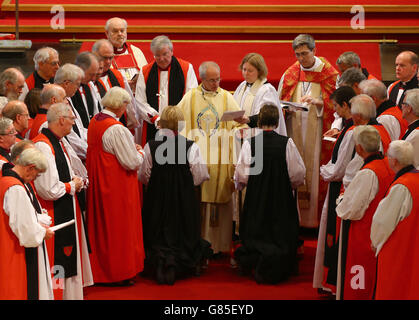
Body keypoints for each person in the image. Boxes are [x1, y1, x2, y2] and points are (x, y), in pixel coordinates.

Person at [177, 61, 247, 256]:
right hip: (197, 158)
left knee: (220, 199)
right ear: (202, 79)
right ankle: (200, 245)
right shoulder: (190, 97)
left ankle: (219, 245)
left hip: (221, 157)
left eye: (218, 79)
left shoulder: (226, 97)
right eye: (212, 80)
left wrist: (240, 127)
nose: (216, 83)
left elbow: (239, 124)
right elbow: (178, 122)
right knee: (198, 202)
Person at [140, 105, 211, 285]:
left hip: (157, 199)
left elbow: (143, 175)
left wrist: (158, 184)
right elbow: (200, 174)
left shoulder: (151, 145)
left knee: (156, 227)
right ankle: (183, 260)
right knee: (184, 227)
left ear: (162, 123)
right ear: (180, 124)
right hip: (183, 199)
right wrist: (184, 185)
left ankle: (158, 260)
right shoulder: (190, 146)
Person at [234, 104, 305, 284]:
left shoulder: (250, 144)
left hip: (257, 197)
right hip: (281, 196)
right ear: (276, 121)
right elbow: (297, 173)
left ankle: (256, 257)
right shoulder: (286, 143)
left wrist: (242, 184)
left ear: (259, 121)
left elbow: (242, 175)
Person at [277, 34, 339, 229]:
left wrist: (320, 103)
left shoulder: (329, 74)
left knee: (313, 171)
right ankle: (297, 220)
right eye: (297, 54)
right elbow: (280, 100)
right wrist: (286, 108)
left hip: (318, 130)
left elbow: (338, 106)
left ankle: (315, 221)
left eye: (305, 53)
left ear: (314, 50)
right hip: (295, 129)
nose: (301, 59)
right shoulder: (291, 73)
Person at [33, 102, 93, 300]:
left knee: (69, 257)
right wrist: (70, 186)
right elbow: (47, 187)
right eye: (71, 119)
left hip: (67, 205)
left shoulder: (58, 141)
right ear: (61, 120)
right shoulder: (44, 144)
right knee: (58, 260)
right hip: (54, 210)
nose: (73, 123)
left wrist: (77, 181)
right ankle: (59, 296)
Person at [86, 87, 145, 285]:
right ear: (121, 106)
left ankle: (102, 271)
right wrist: (141, 153)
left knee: (102, 229)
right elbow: (131, 162)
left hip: (99, 182)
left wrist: (130, 149)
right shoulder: (116, 128)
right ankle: (121, 273)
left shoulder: (95, 121)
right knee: (119, 230)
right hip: (117, 187)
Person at [335, 125, 393, 300]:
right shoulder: (386, 165)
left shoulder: (368, 172)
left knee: (357, 280)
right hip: (377, 231)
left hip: (362, 233)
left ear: (359, 148)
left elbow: (351, 209)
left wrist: (342, 200)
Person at [313, 86, 357, 293]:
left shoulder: (352, 131)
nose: (335, 112)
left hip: (340, 188)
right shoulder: (348, 128)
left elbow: (338, 169)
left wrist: (322, 171)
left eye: (337, 107)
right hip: (341, 184)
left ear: (346, 105)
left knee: (334, 233)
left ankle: (332, 285)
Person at [0, 147, 54, 300]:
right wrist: (43, 232)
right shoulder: (16, 188)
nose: (34, 179)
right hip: (15, 251)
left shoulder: (5, 180)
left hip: (7, 245)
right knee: (19, 290)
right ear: (30, 168)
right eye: (36, 175)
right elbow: (26, 230)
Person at [371, 140, 419, 299]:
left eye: (388, 156)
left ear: (394, 161)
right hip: (413, 246)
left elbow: (382, 222)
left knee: (395, 290)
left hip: (399, 250)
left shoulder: (402, 186)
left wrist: (375, 241)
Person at [135, 35, 198, 146]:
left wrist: (172, 119)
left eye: (165, 54)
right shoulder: (145, 71)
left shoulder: (186, 68)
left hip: (179, 125)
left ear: (172, 51)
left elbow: (191, 97)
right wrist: (157, 119)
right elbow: (140, 101)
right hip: (154, 125)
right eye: (157, 55)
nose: (161, 59)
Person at [342, 94, 391, 190]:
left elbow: (355, 168)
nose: (351, 116)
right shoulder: (381, 128)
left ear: (358, 116)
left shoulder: (365, 134)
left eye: (352, 112)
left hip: (363, 184)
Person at [92, 39, 139, 132]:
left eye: (111, 58)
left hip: (118, 126)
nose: (109, 62)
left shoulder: (118, 76)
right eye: (105, 58)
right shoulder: (87, 79)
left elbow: (129, 105)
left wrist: (131, 125)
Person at [233, 53, 286, 135]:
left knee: (257, 147)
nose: (246, 73)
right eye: (244, 69)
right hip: (241, 135)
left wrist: (249, 119)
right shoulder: (242, 86)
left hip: (259, 138)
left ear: (260, 71)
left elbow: (268, 117)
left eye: (250, 71)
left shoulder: (267, 90)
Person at [54, 63, 88, 160]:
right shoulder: (56, 102)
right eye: (77, 84)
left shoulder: (68, 98)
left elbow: (80, 129)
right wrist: (90, 151)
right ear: (67, 83)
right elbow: (70, 137)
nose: (78, 88)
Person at [105, 17, 147, 91]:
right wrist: (122, 85)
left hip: (137, 96)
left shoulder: (136, 51)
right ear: (107, 33)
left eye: (122, 30)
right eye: (115, 31)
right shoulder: (102, 54)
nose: (120, 34)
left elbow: (146, 74)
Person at [72, 52, 101, 129]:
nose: (94, 78)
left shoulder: (89, 85)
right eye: (91, 74)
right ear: (80, 69)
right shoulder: (68, 88)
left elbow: (96, 112)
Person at [401, 88, 419, 168]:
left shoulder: (416, 134)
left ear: (409, 108)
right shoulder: (412, 128)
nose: (401, 106)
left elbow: (415, 164)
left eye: (403, 103)